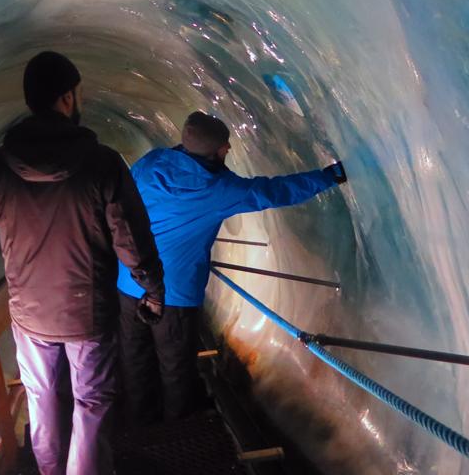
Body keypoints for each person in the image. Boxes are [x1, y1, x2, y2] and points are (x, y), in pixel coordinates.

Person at [0, 51, 166, 475]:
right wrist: (153, 291)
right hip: (89, 314)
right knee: (92, 403)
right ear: (66, 98)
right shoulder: (104, 164)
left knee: (41, 398)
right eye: (77, 94)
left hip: (30, 316)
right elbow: (132, 239)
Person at [115, 110, 347, 423]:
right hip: (176, 294)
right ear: (214, 150)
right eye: (225, 145)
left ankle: (142, 421)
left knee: (134, 356)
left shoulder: (150, 163)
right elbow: (273, 191)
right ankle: (177, 423)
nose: (228, 150)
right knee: (174, 365)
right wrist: (329, 176)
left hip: (130, 281)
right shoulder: (218, 189)